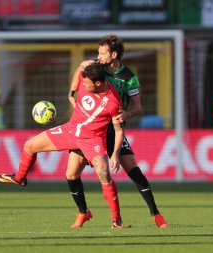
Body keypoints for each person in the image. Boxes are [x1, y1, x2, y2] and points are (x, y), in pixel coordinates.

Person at [0, 63, 125, 228]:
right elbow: (82, 65)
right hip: (70, 130)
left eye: (86, 84)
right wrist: (71, 92)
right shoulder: (87, 79)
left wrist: (114, 154)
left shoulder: (113, 103)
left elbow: (119, 130)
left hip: (91, 139)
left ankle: (117, 220)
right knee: (30, 145)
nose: (83, 86)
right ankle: (20, 178)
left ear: (98, 83)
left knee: (103, 172)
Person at [66, 34, 168, 228]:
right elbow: (81, 69)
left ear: (114, 54)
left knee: (134, 171)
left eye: (102, 53)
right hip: (90, 130)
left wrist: (127, 114)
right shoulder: (96, 69)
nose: (99, 56)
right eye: (98, 52)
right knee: (71, 175)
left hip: (113, 131)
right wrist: (71, 93)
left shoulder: (129, 78)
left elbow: (137, 106)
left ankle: (156, 215)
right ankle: (83, 213)